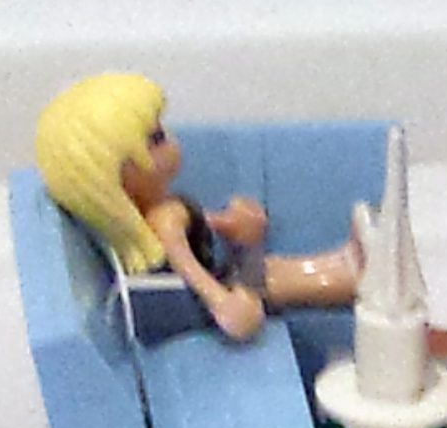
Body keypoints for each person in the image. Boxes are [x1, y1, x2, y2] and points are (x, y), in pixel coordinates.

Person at [35, 72, 362, 340]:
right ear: (117, 178)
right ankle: (352, 282)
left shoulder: (162, 213)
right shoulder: (163, 224)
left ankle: (342, 261)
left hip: (223, 276)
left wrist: (232, 224)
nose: (172, 142)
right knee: (277, 282)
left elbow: (202, 225)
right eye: (157, 139)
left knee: (273, 268)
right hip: (211, 298)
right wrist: (222, 303)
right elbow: (190, 272)